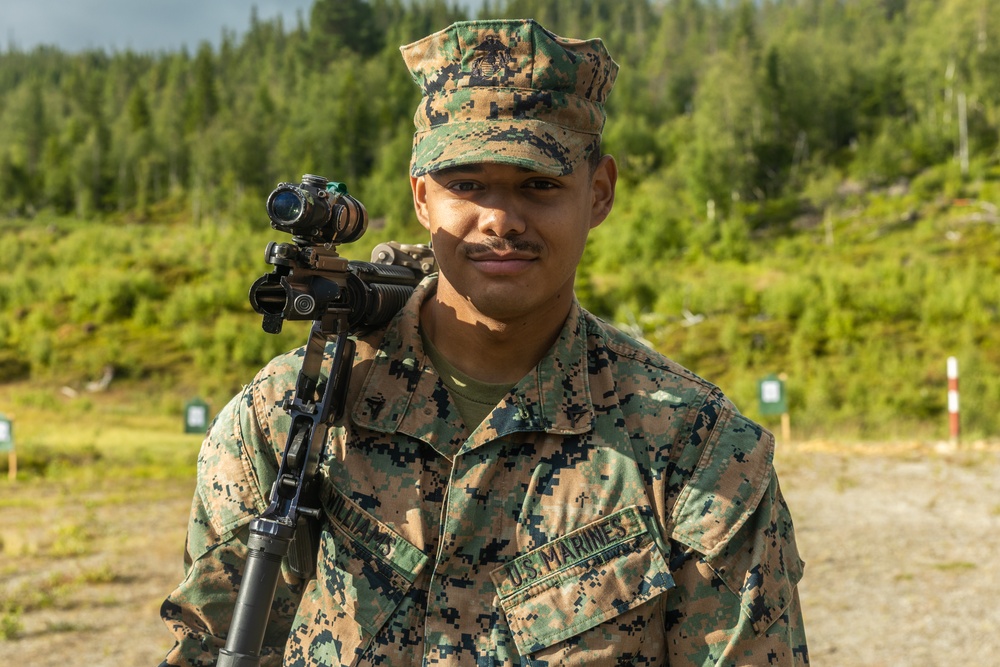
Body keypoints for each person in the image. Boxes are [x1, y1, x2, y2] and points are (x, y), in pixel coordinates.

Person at [160, 18, 809, 666]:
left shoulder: (697, 453)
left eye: (539, 184)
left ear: (599, 192)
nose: (499, 218)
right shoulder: (292, 415)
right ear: (422, 196)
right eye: (466, 183)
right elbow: (208, 646)